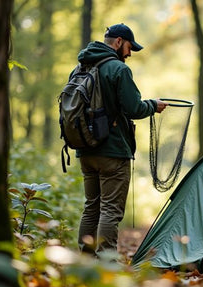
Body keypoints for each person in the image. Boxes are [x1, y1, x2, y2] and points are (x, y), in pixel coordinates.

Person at [73, 23, 167, 256]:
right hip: (113, 151)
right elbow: (134, 108)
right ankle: (106, 263)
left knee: (91, 208)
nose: (130, 53)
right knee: (110, 210)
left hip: (85, 149)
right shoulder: (118, 69)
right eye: (128, 47)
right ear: (118, 42)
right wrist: (153, 106)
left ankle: (85, 260)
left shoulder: (80, 67)